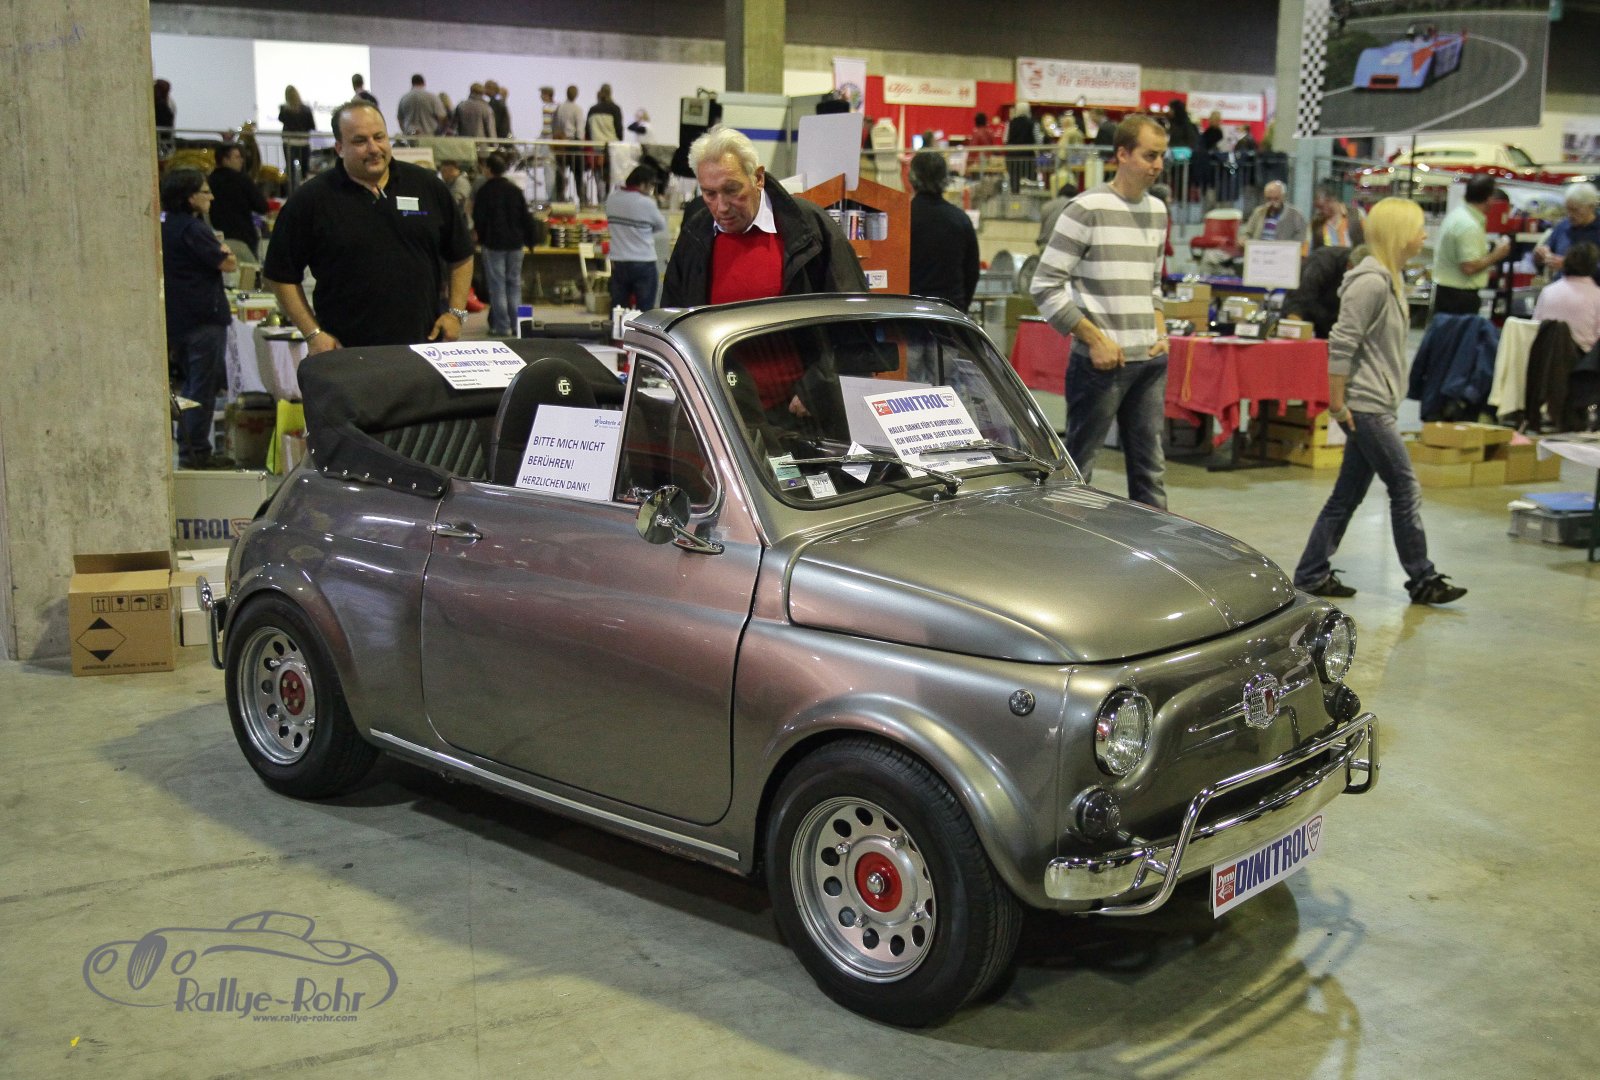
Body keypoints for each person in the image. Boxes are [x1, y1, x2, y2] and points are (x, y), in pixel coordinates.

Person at [1292, 197, 1466, 606]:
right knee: (1404, 487)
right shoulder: (1370, 282)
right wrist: (1337, 403)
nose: (1423, 236)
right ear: (1399, 234)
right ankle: (1422, 577)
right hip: (1366, 406)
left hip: (1375, 403)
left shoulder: (1389, 279)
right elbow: (1342, 342)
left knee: (1347, 495)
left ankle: (1311, 573)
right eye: (1418, 228)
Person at [1031, 114, 1171, 508]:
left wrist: (1160, 332)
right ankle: (1067, 544)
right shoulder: (1085, 208)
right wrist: (1094, 339)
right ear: (1122, 155)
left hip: (1149, 363)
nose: (1158, 165)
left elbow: (1153, 284)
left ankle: (1154, 546)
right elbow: (1044, 285)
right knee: (1077, 474)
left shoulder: (1157, 211)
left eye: (1161, 156)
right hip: (1100, 366)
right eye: (1149, 155)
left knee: (1151, 476)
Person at [263, 101, 474, 352]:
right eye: (360, 141)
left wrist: (456, 313)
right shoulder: (311, 199)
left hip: (424, 348)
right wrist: (312, 333)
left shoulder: (427, 186)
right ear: (340, 148)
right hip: (346, 354)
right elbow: (280, 274)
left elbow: (461, 254)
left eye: (379, 137)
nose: (374, 148)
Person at [661, 125, 865, 308]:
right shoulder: (694, 236)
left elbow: (852, 315)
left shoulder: (811, 227)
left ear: (758, 178)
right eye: (709, 194)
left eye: (732, 190)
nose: (721, 207)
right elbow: (672, 317)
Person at [160, 169, 237, 469]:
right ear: (190, 197)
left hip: (178, 318)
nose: (211, 197)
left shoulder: (165, 224)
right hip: (203, 319)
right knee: (201, 388)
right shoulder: (193, 228)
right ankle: (196, 453)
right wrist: (224, 251)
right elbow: (227, 263)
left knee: (191, 387)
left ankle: (190, 449)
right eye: (205, 191)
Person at [472, 152, 536, 337]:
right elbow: (526, 217)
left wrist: (480, 238)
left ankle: (502, 326)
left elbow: (479, 219)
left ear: (489, 169)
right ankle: (517, 325)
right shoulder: (515, 190)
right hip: (515, 244)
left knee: (497, 286)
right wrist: (530, 241)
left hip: (494, 244)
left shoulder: (485, 191)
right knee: (514, 284)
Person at [908, 151, 979, 312]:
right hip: (950, 312)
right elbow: (972, 272)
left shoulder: (901, 219)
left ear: (912, 178)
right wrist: (961, 308)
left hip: (910, 313)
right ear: (945, 179)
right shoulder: (961, 219)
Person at [1430, 174, 1511, 316]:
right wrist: (1497, 255)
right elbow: (1469, 267)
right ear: (1489, 198)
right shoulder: (1469, 225)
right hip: (1459, 298)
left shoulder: (1458, 215)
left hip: (1448, 292)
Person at [604, 165, 668, 312]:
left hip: (618, 262)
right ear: (643, 184)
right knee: (644, 312)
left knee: (618, 310)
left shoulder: (612, 199)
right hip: (643, 261)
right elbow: (661, 225)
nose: (651, 189)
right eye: (651, 185)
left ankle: (617, 328)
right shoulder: (646, 203)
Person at [1533, 242, 1600, 354]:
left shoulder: (1547, 292)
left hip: (1546, 358)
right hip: (1583, 360)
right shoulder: (1597, 296)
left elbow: (1533, 328)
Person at [1284, 245, 1361, 339]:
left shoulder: (1364, 275)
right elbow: (1298, 299)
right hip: (1305, 320)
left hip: (1331, 325)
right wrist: (1294, 340)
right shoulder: (1322, 261)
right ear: (1350, 266)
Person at [207, 143, 268, 256]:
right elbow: (261, 206)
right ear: (225, 160)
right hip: (243, 236)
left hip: (218, 236)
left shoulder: (210, 181)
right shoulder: (242, 180)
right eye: (237, 157)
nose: (242, 160)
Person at [1534, 182, 1600, 285]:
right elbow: (1547, 251)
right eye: (1567, 209)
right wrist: (1540, 256)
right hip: (1561, 288)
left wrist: (1569, 266)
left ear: (1591, 207)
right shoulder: (1562, 226)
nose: (1570, 215)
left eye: (1575, 210)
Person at [1241, 180, 1308, 244]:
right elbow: (1248, 233)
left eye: (1276, 199)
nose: (1272, 203)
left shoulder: (1295, 215)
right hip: (1259, 250)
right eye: (1268, 199)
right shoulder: (1258, 212)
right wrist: (1244, 239)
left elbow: (1301, 237)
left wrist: (1288, 246)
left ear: (1283, 197)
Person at [554, 85, 586, 201]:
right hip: (574, 143)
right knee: (578, 174)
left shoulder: (560, 108)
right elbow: (580, 129)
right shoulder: (577, 109)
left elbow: (556, 124)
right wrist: (581, 142)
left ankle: (560, 197)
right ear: (576, 95)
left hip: (561, 143)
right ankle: (582, 199)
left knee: (560, 173)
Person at [278, 85, 315, 182]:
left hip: (289, 142)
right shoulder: (306, 110)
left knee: (290, 170)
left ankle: (291, 187)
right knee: (304, 171)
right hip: (303, 142)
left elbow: (281, 119)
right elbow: (312, 126)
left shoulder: (284, 110)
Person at [1312, 182, 1365, 249]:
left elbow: (1368, 241)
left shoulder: (1357, 214)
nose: (1318, 211)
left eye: (1321, 207)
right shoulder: (1316, 224)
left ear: (1331, 201)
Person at [1037, 180, 1079, 250]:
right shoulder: (1077, 207)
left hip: (1045, 246)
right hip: (1066, 248)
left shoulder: (1046, 206)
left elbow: (1043, 229)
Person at [1005, 102, 1036, 192]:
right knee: (1029, 178)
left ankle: (1015, 196)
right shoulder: (1032, 123)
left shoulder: (1010, 123)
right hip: (1028, 156)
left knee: (1014, 179)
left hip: (1012, 156)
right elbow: (1038, 140)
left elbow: (1005, 139)